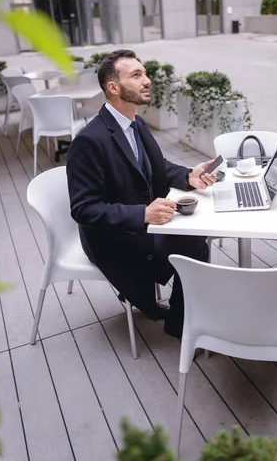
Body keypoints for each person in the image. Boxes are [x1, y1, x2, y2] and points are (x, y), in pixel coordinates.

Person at [66, 49, 216, 337]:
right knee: (194, 246)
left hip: (139, 225)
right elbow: (83, 209)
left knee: (195, 238)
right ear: (113, 87)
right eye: (136, 75)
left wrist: (189, 176)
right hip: (113, 238)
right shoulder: (89, 141)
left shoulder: (135, 122)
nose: (147, 80)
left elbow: (156, 166)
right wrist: (143, 214)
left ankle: (182, 314)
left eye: (144, 73)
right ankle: (182, 325)